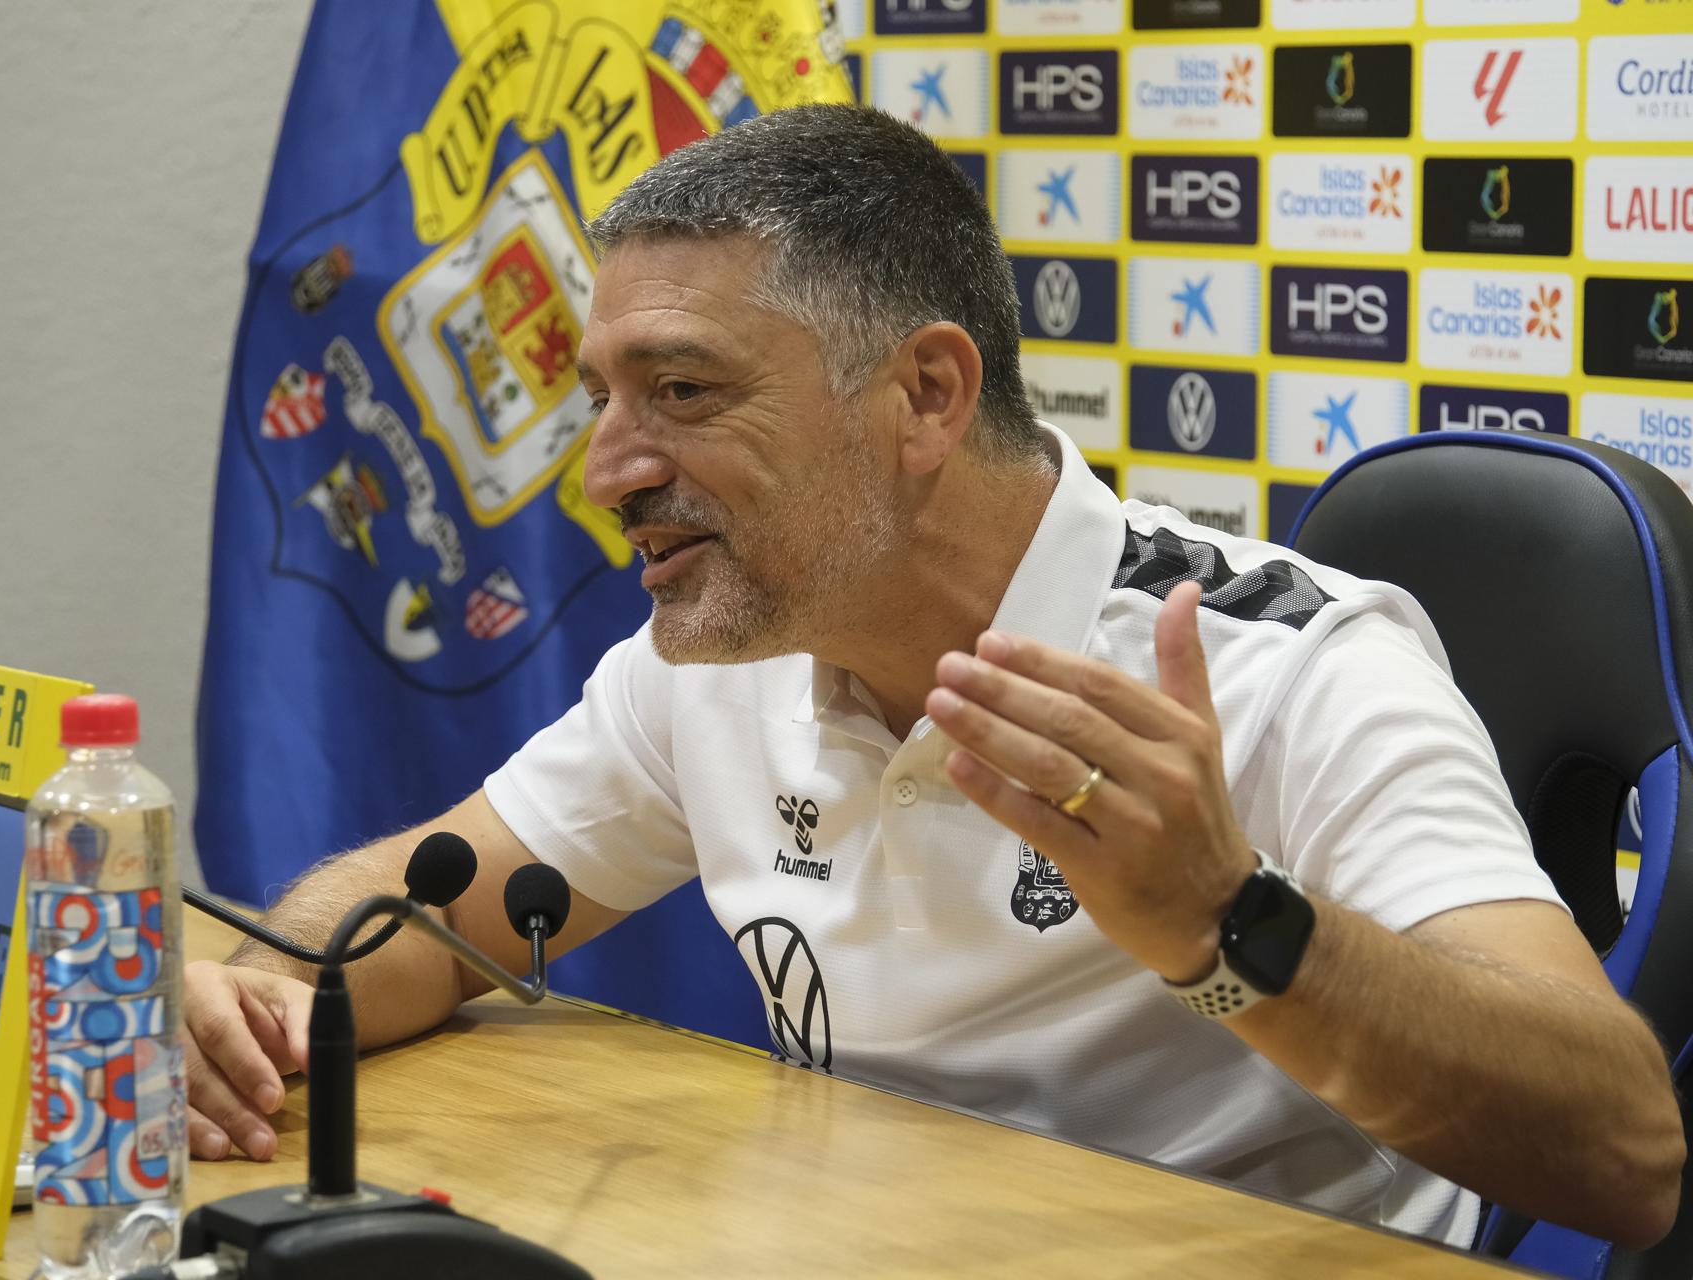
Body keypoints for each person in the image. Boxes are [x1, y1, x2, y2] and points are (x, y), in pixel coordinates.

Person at [182, 104, 1683, 1249]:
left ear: (924, 394)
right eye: (600, 401)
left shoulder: (1293, 663)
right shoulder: (718, 648)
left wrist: (1232, 924)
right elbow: (428, 910)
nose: (608, 471)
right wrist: (251, 1006)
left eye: (684, 392)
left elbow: (1623, 1154)